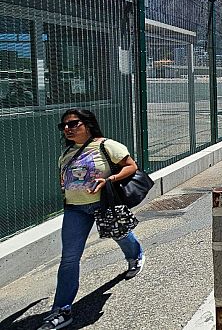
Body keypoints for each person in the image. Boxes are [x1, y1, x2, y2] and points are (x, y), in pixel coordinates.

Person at [39, 109, 144, 330]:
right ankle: (61, 310)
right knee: (69, 258)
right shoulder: (66, 153)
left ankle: (135, 254)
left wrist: (110, 180)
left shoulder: (106, 145)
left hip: (103, 203)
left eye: (73, 123)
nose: (68, 128)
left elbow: (131, 166)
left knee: (120, 234)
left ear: (87, 124)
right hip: (75, 209)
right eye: (64, 126)